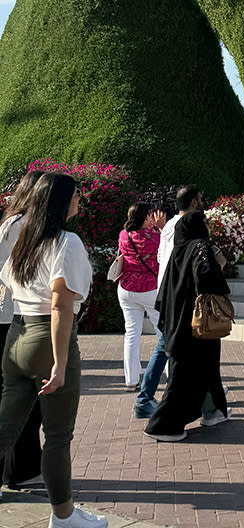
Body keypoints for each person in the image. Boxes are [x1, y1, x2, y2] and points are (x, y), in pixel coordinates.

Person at [0, 172, 107, 527]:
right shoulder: (67, 242)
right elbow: (61, 305)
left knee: (5, 428)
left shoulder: (24, 239)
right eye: (76, 195)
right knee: (58, 435)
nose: (80, 200)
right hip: (48, 337)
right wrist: (61, 365)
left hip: (17, 335)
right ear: (60, 201)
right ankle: (64, 515)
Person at [145, 211, 231, 442]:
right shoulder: (201, 247)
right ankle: (164, 426)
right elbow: (206, 275)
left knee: (202, 371)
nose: (207, 226)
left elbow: (165, 292)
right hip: (195, 327)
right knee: (185, 378)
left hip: (179, 322)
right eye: (204, 222)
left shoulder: (179, 249)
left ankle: (213, 411)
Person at [133, 185, 202, 419]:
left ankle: (205, 395)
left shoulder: (170, 226)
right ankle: (145, 399)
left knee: (173, 347)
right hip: (176, 295)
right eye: (200, 200)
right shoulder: (185, 227)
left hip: (166, 292)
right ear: (192, 203)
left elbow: (163, 258)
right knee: (167, 346)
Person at [0, 171, 44, 490]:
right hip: (16, 318)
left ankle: (21, 468)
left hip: (11, 318)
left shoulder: (10, 222)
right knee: (27, 400)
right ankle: (22, 469)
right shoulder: (22, 225)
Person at [116, 202, 166, 391]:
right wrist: (159, 227)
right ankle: (171, 377)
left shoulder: (124, 235)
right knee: (164, 334)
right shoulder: (154, 237)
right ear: (145, 217)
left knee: (131, 334)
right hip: (150, 290)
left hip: (127, 289)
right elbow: (166, 247)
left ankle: (131, 380)